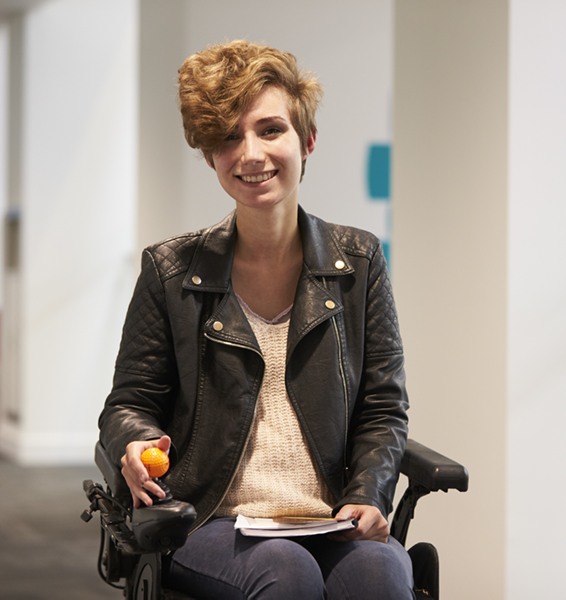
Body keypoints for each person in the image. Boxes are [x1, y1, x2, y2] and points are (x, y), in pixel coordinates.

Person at [99, 40, 414, 599]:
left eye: (270, 130)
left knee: (380, 572)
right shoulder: (170, 271)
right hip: (212, 519)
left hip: (331, 517)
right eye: (228, 137)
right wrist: (137, 441)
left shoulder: (359, 262)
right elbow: (130, 403)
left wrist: (370, 491)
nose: (250, 154)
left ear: (307, 139)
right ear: (208, 155)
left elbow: (383, 405)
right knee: (286, 571)